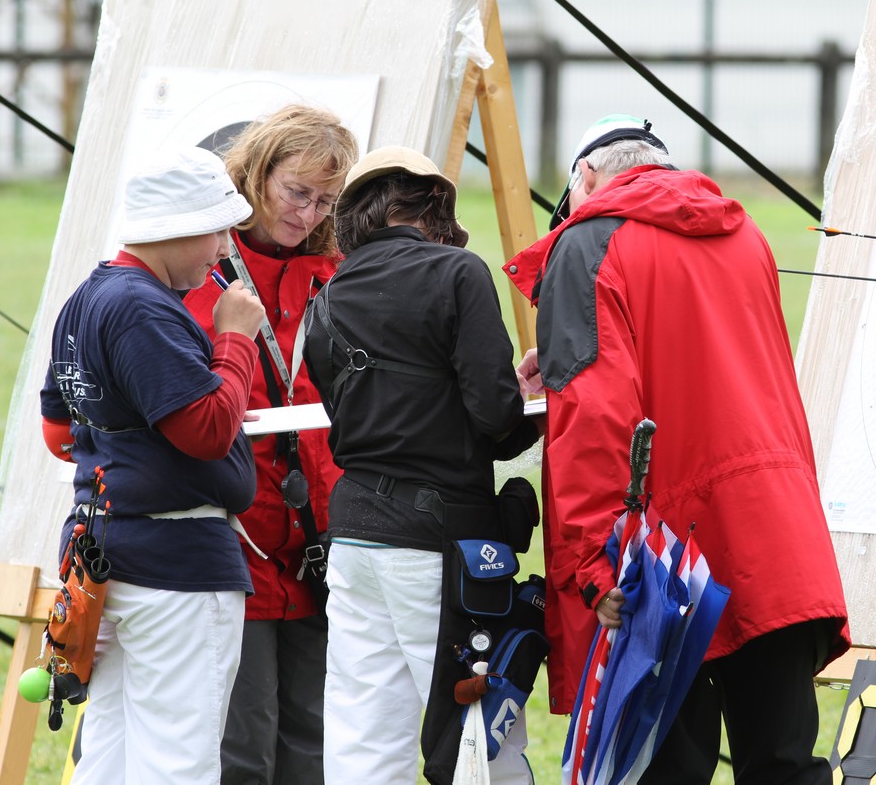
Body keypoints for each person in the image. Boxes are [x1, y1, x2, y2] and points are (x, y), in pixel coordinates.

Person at [506, 115, 852, 783]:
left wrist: (592, 563)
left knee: (664, 770)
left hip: (669, 556)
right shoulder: (742, 230)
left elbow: (594, 420)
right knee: (783, 763)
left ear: (586, 177)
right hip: (774, 531)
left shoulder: (586, 244)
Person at [301, 146, 541, 784]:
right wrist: (534, 406)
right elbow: (494, 420)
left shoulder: (324, 299)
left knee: (361, 734)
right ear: (435, 204)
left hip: (352, 532)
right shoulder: (457, 272)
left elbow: (357, 414)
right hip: (440, 540)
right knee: (473, 737)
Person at [39, 146, 266, 784]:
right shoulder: (142, 306)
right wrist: (234, 342)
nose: (224, 248)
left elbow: (62, 430)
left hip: (108, 549)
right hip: (176, 565)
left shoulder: (87, 298)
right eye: (218, 228)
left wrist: (154, 425)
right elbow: (207, 431)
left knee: (110, 752)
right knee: (177, 759)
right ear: (177, 226)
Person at [183, 104, 357, 785]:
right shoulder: (199, 264)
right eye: (297, 191)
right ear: (256, 174)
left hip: (319, 542)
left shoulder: (336, 274)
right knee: (243, 748)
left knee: (314, 746)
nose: (309, 213)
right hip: (236, 541)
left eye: (326, 200)